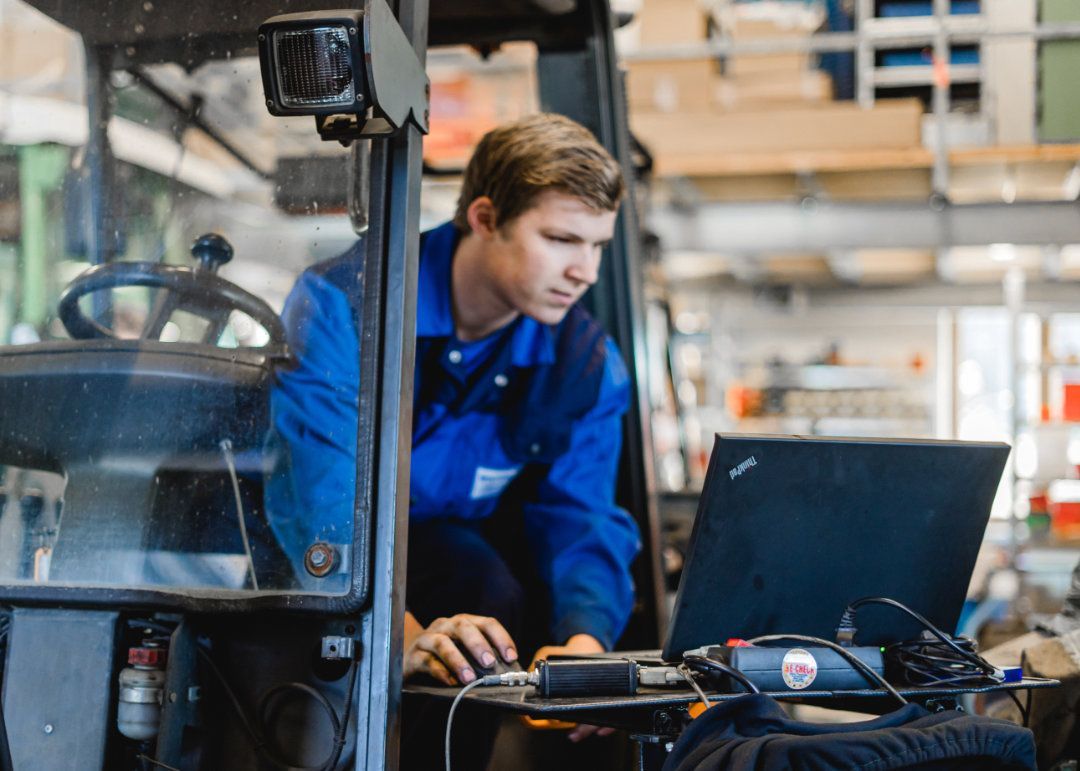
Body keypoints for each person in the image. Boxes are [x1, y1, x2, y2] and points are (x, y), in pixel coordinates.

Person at [268, 113, 641, 765]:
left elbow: (581, 514)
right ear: (485, 216)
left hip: (446, 551)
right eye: (560, 239)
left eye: (597, 245)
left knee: (487, 589)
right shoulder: (346, 306)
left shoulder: (586, 364)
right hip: (315, 557)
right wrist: (402, 637)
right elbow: (325, 496)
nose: (584, 270)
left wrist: (585, 641)